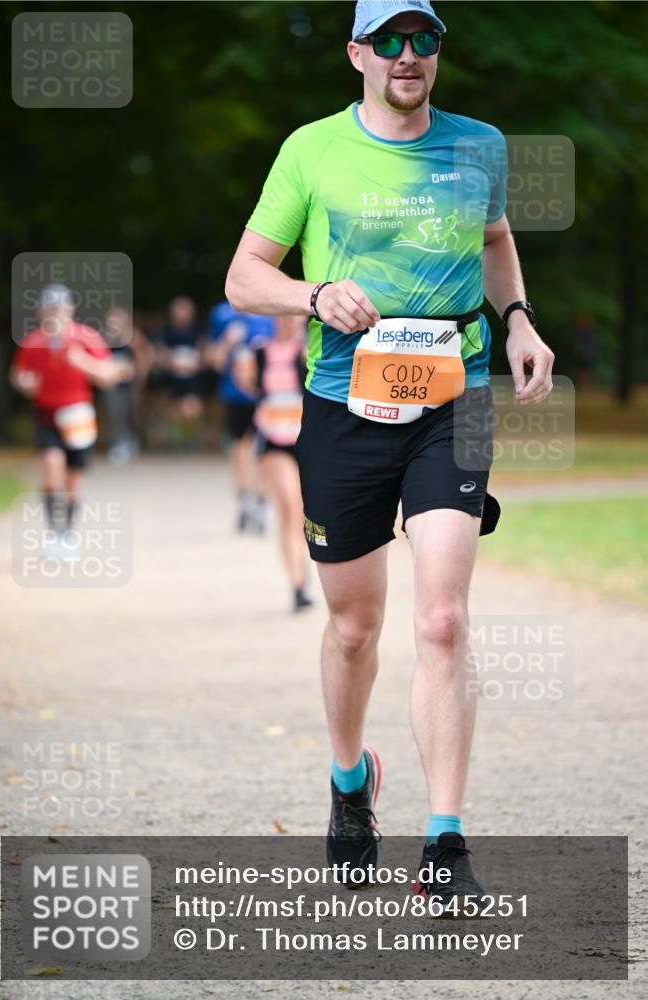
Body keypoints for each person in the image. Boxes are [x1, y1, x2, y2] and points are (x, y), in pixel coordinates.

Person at [226, 0, 555, 905]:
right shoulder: (311, 149)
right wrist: (315, 291)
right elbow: (243, 277)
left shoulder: (479, 144)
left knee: (441, 619)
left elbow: (493, 240)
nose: (409, 55)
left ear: (437, 52)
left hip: (457, 397)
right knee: (353, 626)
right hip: (342, 405)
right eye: (391, 41)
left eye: (426, 40)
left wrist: (517, 319)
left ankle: (445, 843)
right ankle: (347, 781)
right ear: (358, 53)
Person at [10, 284, 132, 554]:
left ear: (70, 309)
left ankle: (68, 534)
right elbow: (18, 375)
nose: (55, 313)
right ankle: (53, 533)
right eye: (49, 307)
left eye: (60, 307)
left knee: (74, 478)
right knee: (52, 468)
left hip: (77, 416)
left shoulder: (85, 337)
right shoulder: (33, 342)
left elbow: (110, 375)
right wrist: (24, 383)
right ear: (41, 311)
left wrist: (82, 362)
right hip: (47, 414)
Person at [234, 315, 313, 611]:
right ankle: (297, 586)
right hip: (273, 439)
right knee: (289, 507)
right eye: (283, 315)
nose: (290, 321)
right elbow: (243, 381)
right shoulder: (258, 350)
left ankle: (302, 565)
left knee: (306, 513)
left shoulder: (309, 349)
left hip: (306, 439)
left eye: (295, 315)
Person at [205, 302, 274, 533]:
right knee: (239, 449)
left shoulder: (269, 314)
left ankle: (262, 503)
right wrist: (228, 341)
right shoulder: (223, 315)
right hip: (234, 395)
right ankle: (244, 502)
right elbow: (214, 361)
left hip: (265, 397)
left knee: (264, 453)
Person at [101, 306, 151, 465]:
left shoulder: (133, 337)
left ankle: (132, 442)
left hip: (130, 383)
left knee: (131, 413)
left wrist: (139, 375)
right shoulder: (104, 338)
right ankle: (118, 444)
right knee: (115, 414)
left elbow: (144, 356)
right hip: (112, 383)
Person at [155, 296, 206, 449]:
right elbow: (160, 353)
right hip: (171, 377)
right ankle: (175, 439)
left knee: (193, 408)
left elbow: (203, 352)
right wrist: (169, 362)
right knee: (172, 409)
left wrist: (197, 363)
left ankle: (190, 439)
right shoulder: (166, 330)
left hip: (192, 378)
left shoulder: (198, 329)